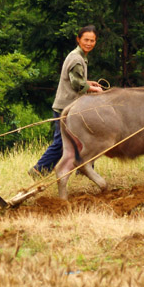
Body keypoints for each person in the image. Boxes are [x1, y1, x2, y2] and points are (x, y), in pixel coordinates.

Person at [29, 25, 103, 179]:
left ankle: (82, 171)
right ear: (78, 39)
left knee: (81, 141)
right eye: (86, 40)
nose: (89, 43)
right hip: (66, 108)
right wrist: (95, 90)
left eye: (92, 40)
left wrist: (89, 83)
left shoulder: (78, 56)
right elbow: (77, 85)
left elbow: (74, 79)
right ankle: (38, 170)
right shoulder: (77, 58)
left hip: (69, 106)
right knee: (63, 143)